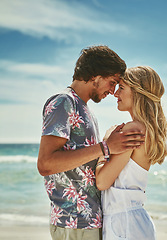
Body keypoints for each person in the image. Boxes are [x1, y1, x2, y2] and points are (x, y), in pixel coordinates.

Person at [37, 45, 145, 240]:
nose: (113, 91)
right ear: (95, 76)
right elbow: (45, 164)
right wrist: (105, 147)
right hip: (73, 223)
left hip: (90, 222)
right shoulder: (63, 103)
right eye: (112, 82)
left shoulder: (85, 109)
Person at [95, 66, 167, 240]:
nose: (115, 93)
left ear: (137, 92)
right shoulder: (145, 128)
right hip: (133, 222)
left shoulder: (133, 129)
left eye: (121, 88)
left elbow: (102, 181)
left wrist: (105, 146)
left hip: (124, 224)